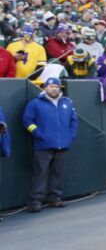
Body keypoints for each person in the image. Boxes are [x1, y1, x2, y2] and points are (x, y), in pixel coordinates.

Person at [22, 78, 78, 212]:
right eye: (51, 86)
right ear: (45, 88)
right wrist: (38, 134)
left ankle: (55, 199)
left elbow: (74, 121)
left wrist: (70, 136)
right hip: (42, 146)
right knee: (40, 174)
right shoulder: (35, 103)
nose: (54, 89)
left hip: (62, 145)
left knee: (58, 174)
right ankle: (35, 202)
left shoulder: (67, 102)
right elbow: (27, 120)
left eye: (56, 86)